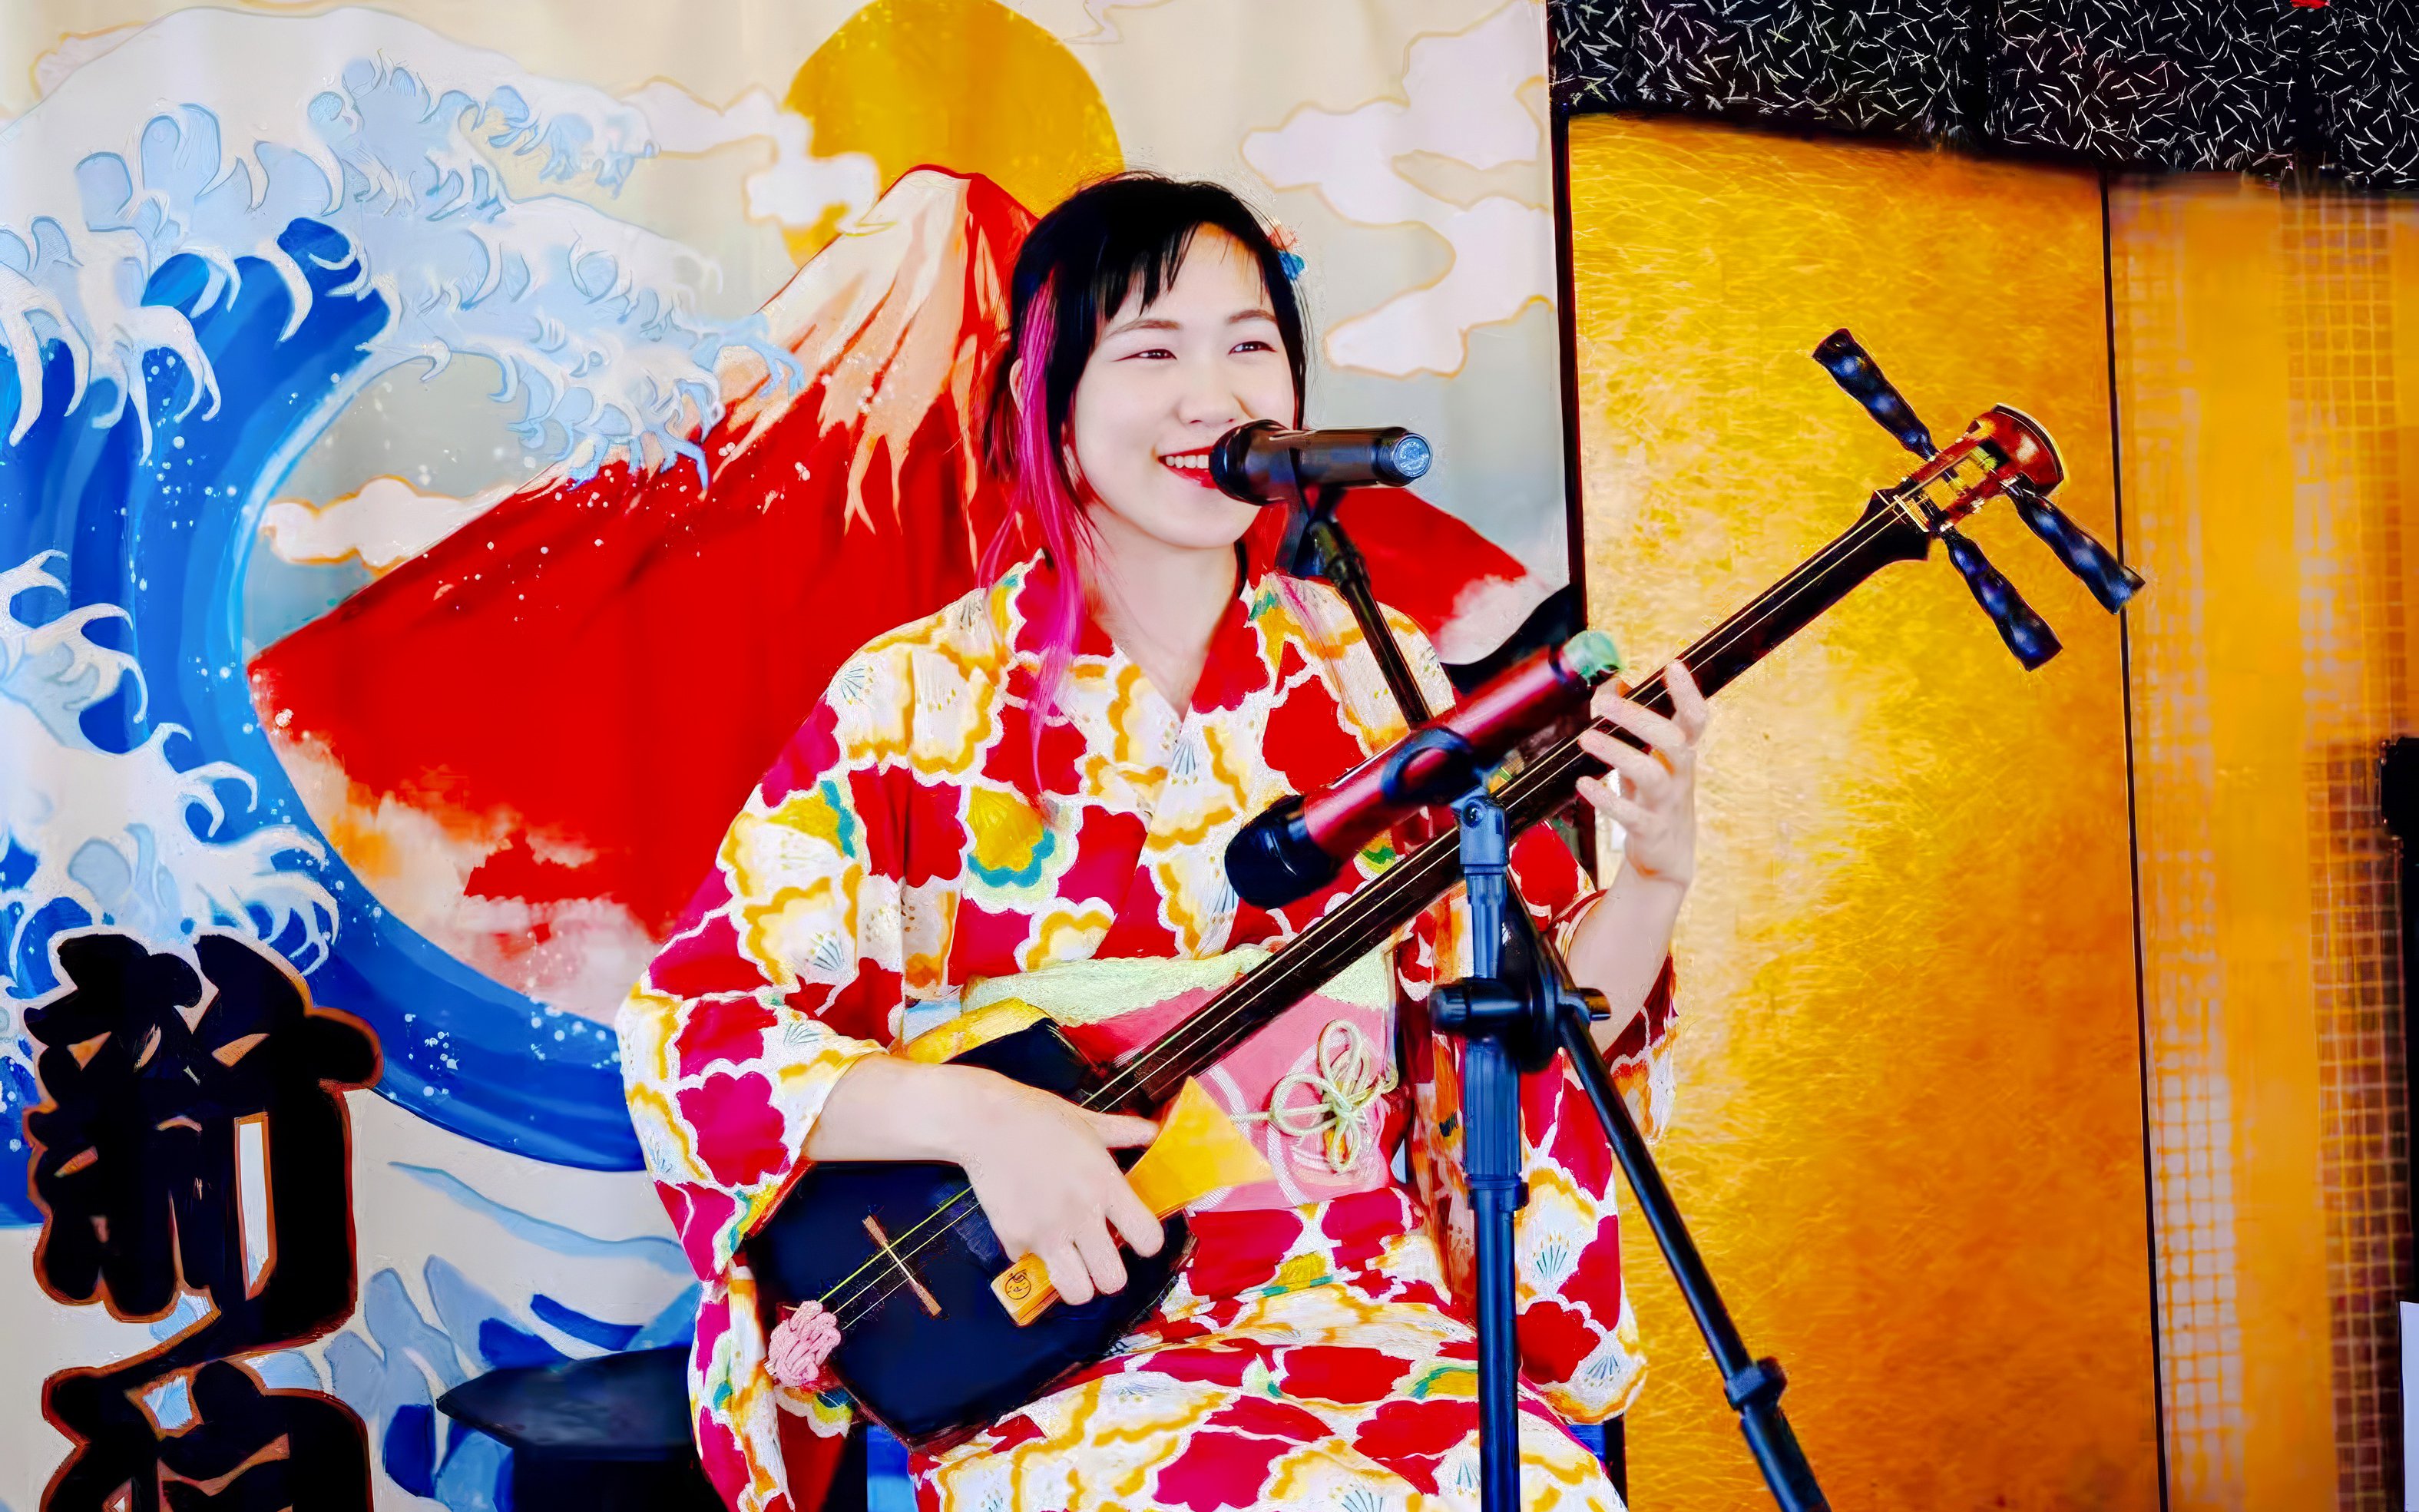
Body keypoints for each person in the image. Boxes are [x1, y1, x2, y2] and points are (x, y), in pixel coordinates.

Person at [618, 173, 1708, 1512]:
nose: (1212, 396)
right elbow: (696, 1032)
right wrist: (976, 1118)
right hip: (1068, 1346)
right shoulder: (913, 698)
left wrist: (1650, 875)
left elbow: (1528, 1030)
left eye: (1249, 344)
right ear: (1048, 405)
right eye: (1150, 351)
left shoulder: (1379, 679)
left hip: (1374, 1316)